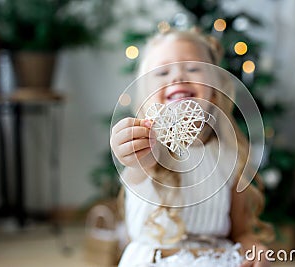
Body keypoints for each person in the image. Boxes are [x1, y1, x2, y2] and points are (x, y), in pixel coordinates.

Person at [110, 28, 274, 267]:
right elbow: (135, 163)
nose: (177, 76)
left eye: (193, 68)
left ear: (215, 92)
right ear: (146, 97)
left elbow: (240, 233)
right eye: (162, 72)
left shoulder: (229, 157)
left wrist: (254, 249)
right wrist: (127, 144)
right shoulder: (150, 151)